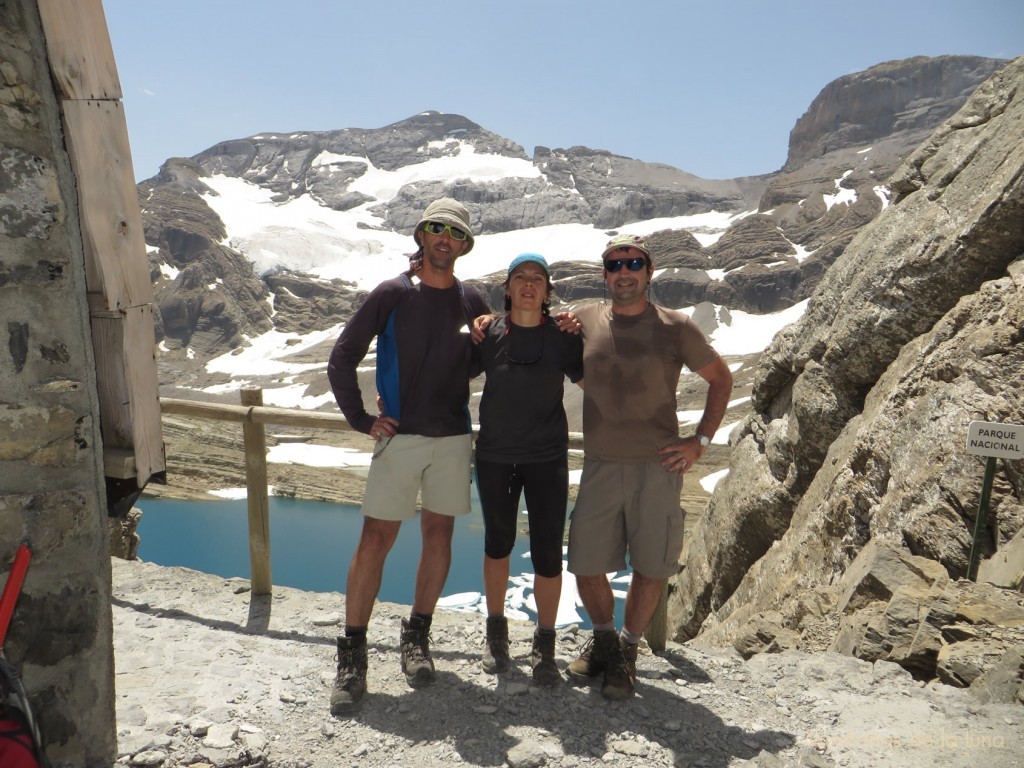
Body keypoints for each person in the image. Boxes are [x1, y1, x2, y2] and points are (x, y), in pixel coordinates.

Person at [326, 197, 491, 714]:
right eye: (436, 228)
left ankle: (416, 637)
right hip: (401, 439)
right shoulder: (393, 293)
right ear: (422, 235)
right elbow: (343, 355)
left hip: (452, 438)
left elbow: (483, 362)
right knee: (376, 538)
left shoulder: (473, 300)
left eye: (455, 231)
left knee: (438, 534)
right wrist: (361, 419)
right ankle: (352, 654)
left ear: (464, 244)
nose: (445, 237)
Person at [566, 233, 733, 701]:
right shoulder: (582, 320)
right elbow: (525, 322)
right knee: (584, 560)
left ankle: (628, 650)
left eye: (633, 264)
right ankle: (603, 642)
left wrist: (699, 442)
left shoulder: (676, 326)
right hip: (600, 465)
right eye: (614, 265)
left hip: (657, 467)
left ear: (649, 272)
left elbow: (721, 379)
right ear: (605, 274)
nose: (624, 272)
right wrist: (479, 320)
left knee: (652, 564)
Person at [472, 253, 583, 685]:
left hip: (547, 458)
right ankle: (496, 634)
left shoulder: (563, 336)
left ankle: (545, 644)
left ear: (547, 290)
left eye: (538, 278)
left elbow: (595, 382)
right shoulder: (489, 333)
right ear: (507, 288)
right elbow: (447, 373)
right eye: (521, 277)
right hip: (496, 456)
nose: (529, 284)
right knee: (497, 544)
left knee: (548, 554)